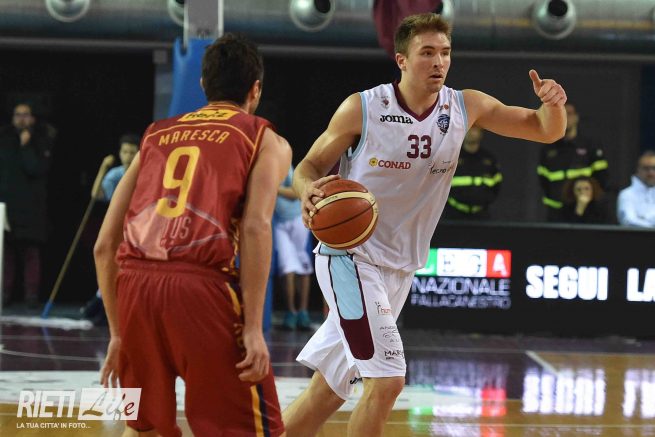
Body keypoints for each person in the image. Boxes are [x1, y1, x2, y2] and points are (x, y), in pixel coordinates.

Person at [283, 13, 567, 436]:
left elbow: (545, 131)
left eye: (445, 53)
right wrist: (307, 189)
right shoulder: (363, 107)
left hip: (400, 266)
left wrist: (553, 105)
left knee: (328, 390)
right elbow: (307, 167)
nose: (439, 62)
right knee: (387, 381)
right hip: (351, 258)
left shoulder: (465, 106)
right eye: (427, 53)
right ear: (401, 59)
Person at [94, 33, 290, 437]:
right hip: (201, 289)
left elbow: (104, 245)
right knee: (251, 431)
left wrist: (117, 334)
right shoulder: (263, 138)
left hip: (135, 288)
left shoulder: (154, 134)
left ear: (203, 85)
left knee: (144, 427)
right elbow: (255, 226)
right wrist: (254, 327)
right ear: (255, 89)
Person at [0, 102, 55, 307]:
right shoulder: (4, 139)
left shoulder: (42, 141)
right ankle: (4, 293)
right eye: (18, 115)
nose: (21, 119)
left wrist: (25, 146)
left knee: (31, 251)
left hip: (32, 207)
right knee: (6, 252)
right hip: (7, 205)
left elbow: (36, 169)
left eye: (26, 115)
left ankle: (31, 295)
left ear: (32, 118)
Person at [81, 134, 140, 325]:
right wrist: (102, 168)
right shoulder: (115, 174)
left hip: (137, 227)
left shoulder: (144, 173)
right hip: (116, 225)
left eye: (132, 152)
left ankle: (101, 304)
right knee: (110, 263)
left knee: (126, 267)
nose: (128, 156)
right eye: (125, 152)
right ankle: (101, 304)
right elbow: (97, 194)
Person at [537, 102, 609, 221]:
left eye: (569, 114)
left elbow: (602, 179)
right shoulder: (548, 149)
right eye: (561, 114)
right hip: (556, 211)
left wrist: (591, 203)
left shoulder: (590, 146)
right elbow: (543, 182)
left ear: (576, 117)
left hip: (586, 211)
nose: (565, 117)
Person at [274, 164, 314, 331]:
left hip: (297, 219)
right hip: (279, 222)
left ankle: (303, 312)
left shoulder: (285, 167)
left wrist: (273, 188)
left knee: (303, 268)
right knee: (287, 269)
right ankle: (291, 312)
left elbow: (295, 193)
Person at [442, 125, 503, 219]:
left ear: (481, 133)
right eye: (468, 128)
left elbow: (497, 185)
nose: (470, 132)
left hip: (481, 215)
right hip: (453, 214)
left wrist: (486, 199)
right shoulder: (453, 157)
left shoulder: (489, 159)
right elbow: (441, 184)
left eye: (474, 129)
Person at [617, 150, 655, 227]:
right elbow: (629, 221)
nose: (651, 173)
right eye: (646, 168)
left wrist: (642, 219)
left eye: (654, 168)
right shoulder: (626, 195)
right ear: (638, 170)